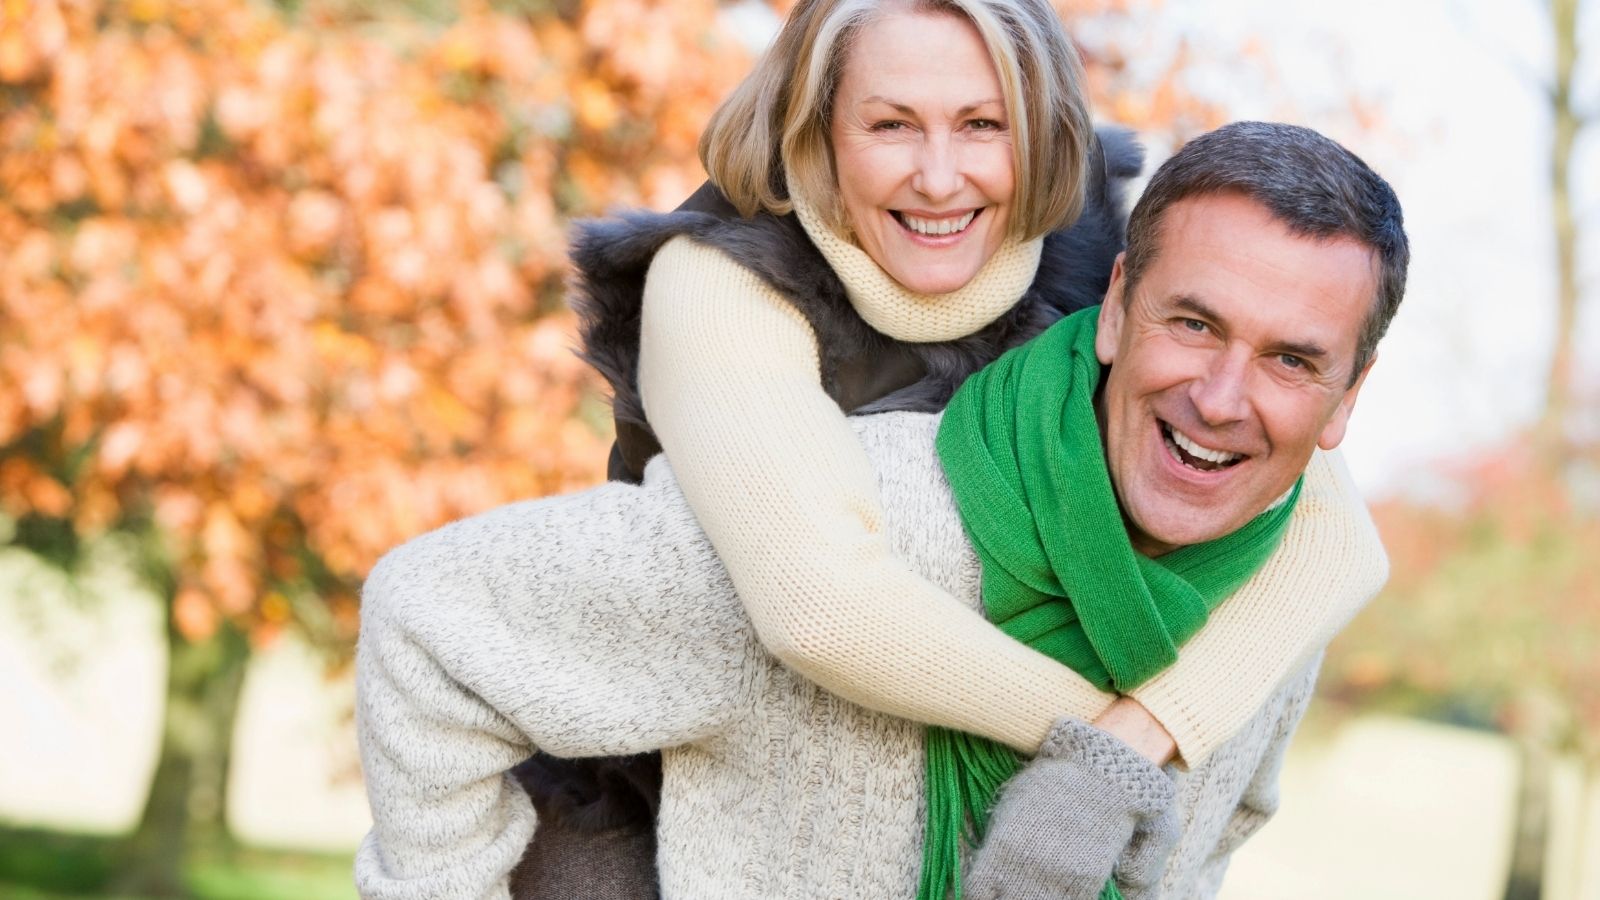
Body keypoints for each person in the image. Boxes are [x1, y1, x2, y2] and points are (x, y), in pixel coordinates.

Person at [355, 0, 1390, 893]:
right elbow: (822, 607)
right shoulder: (724, 286)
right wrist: (1100, 749)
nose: (940, 179)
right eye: (892, 124)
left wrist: (1149, 736)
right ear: (819, 135)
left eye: (981, 124)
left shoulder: (1099, 261)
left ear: (1033, 135)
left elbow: (1325, 523)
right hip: (643, 781)